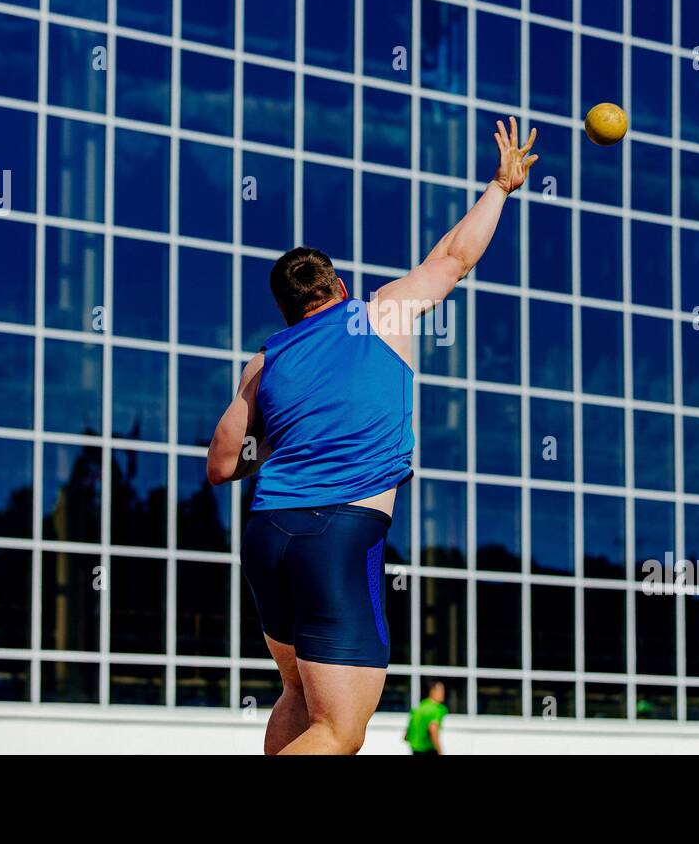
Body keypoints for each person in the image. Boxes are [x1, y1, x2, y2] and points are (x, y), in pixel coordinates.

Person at [208, 117, 539, 755]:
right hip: (339, 532)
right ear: (338, 288)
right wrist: (501, 186)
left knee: (297, 697)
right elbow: (454, 257)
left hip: (268, 533)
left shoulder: (265, 360)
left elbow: (222, 464)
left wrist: (285, 440)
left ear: (287, 308)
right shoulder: (381, 312)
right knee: (340, 731)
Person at [404, 682, 449, 756]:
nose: (443, 694)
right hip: (429, 750)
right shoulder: (438, 709)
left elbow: (406, 734)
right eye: (441, 691)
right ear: (432, 691)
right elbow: (433, 729)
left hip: (415, 750)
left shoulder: (418, 708)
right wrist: (440, 752)